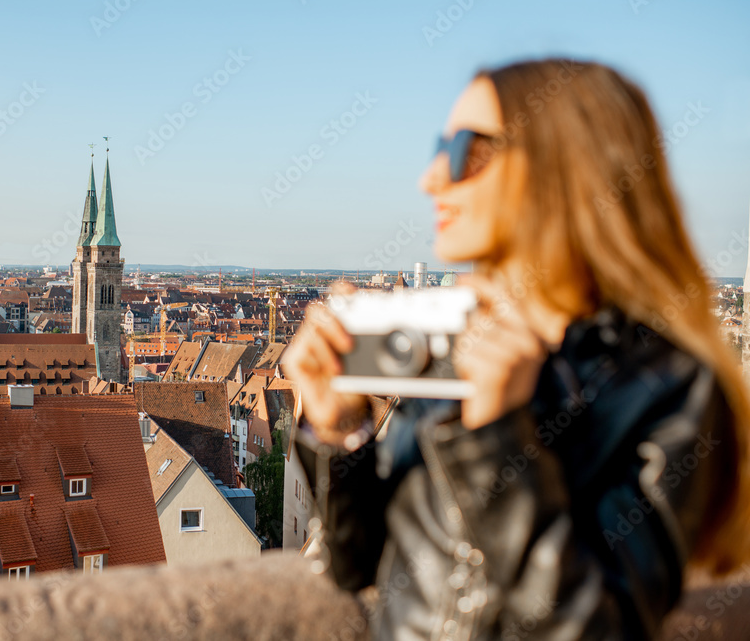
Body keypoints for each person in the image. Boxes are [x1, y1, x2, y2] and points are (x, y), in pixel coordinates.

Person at [284, 58, 749, 641]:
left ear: (562, 170)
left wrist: (498, 436)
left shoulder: (663, 384)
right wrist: (336, 428)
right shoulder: (455, 342)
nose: (432, 177)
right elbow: (356, 564)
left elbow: (594, 629)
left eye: (465, 151)